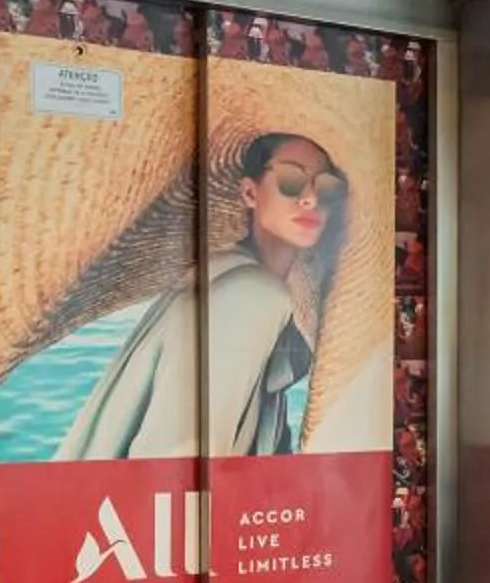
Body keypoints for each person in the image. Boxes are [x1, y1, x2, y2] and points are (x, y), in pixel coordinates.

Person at [58, 131, 346, 458]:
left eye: (326, 188)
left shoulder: (219, 276)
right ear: (250, 193)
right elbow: (172, 459)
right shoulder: (252, 295)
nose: (311, 199)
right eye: (291, 181)